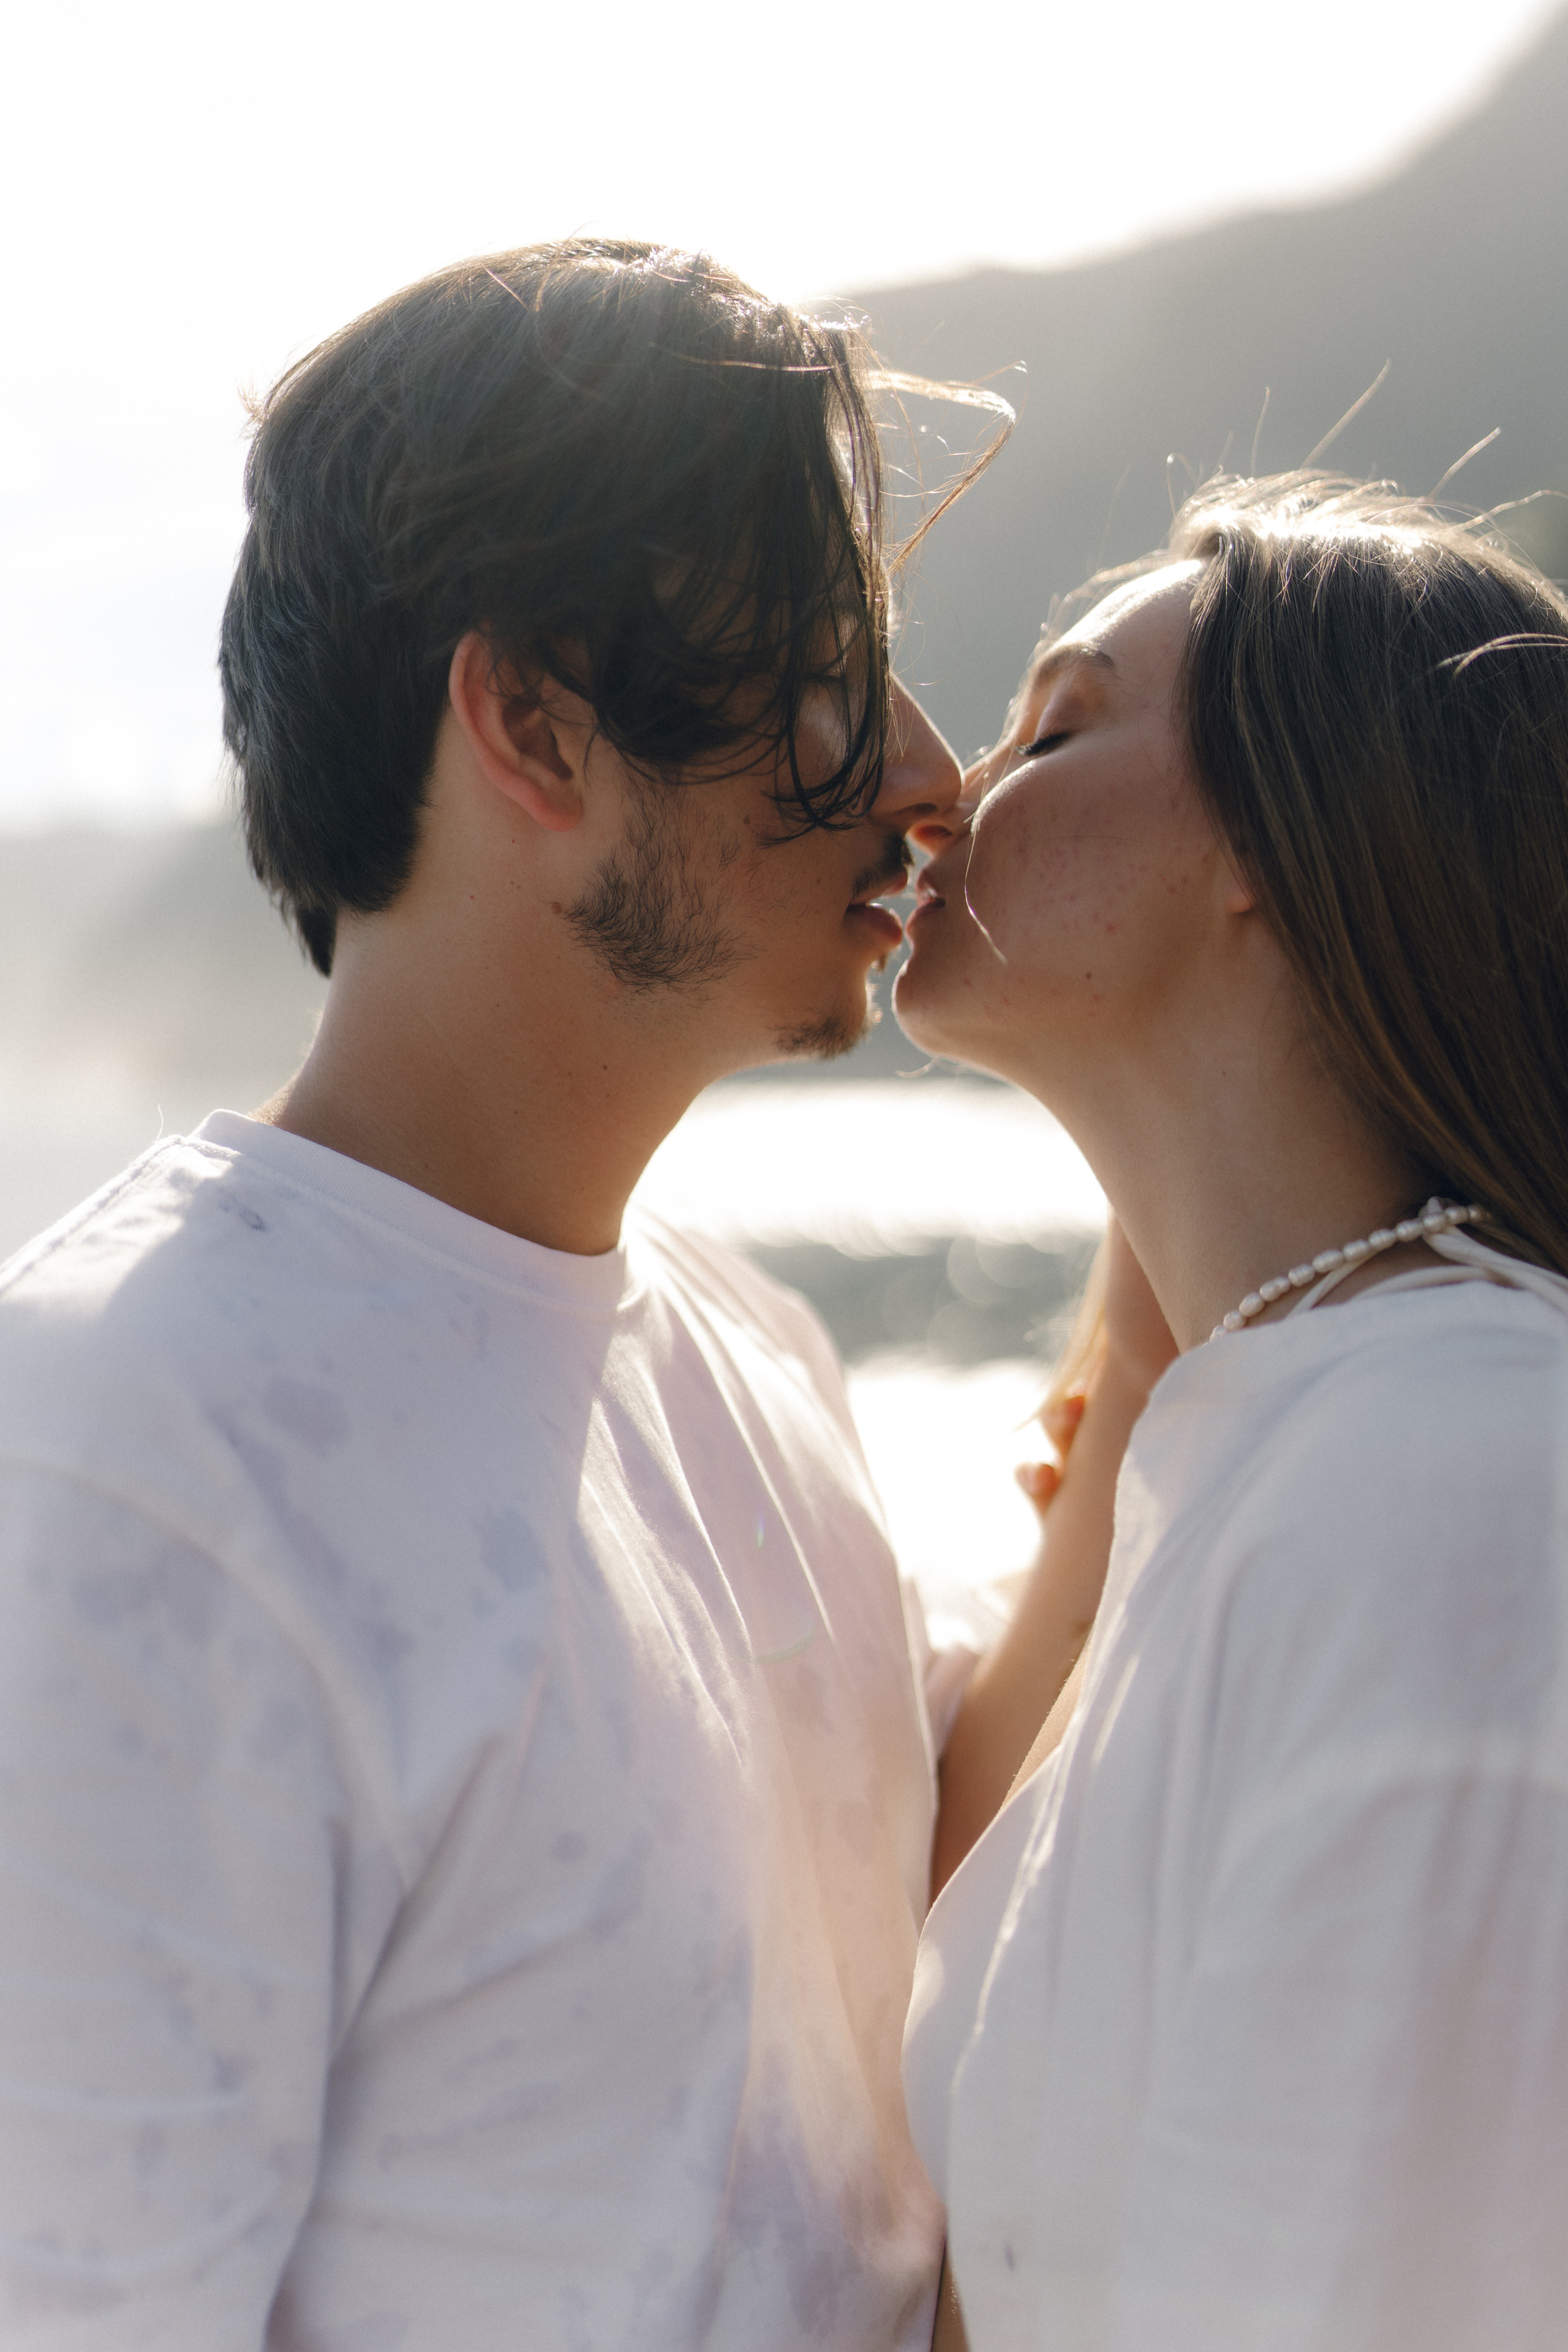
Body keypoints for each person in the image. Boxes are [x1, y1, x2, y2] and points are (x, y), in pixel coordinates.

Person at [0, 239, 1055, 2350]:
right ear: (536, 728)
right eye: (832, 691)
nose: (934, 779)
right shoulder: (129, 1445)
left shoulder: (755, 1349)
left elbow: (926, 1891)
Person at [895, 472, 1568, 2351]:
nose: (950, 787)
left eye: (1060, 723)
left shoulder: (1450, 1488)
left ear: (1275, 842)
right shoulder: (1277, 1446)